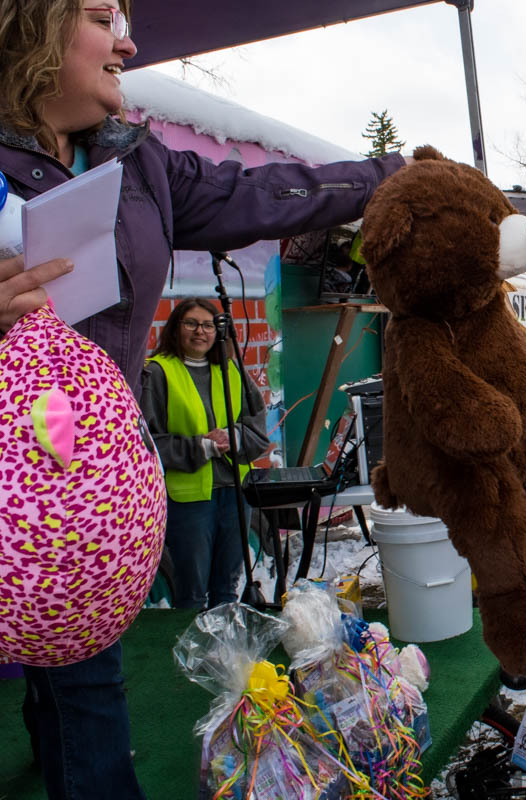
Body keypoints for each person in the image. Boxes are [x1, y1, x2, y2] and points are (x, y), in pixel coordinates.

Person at [0, 3, 407, 796]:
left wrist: (390, 179)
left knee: (85, 685)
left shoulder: (136, 162)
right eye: (98, 14)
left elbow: (264, 194)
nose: (129, 39)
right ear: (25, 24)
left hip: (84, 498)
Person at [140, 299, 268, 609]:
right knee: (191, 592)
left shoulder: (231, 370)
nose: (201, 331)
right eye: (191, 323)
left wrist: (234, 437)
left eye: (209, 325)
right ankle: (191, 653)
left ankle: (222, 651)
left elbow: (258, 430)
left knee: (227, 588)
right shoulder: (157, 373)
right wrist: (202, 447)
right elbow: (146, 441)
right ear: (175, 328)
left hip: (234, 494)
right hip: (189, 499)